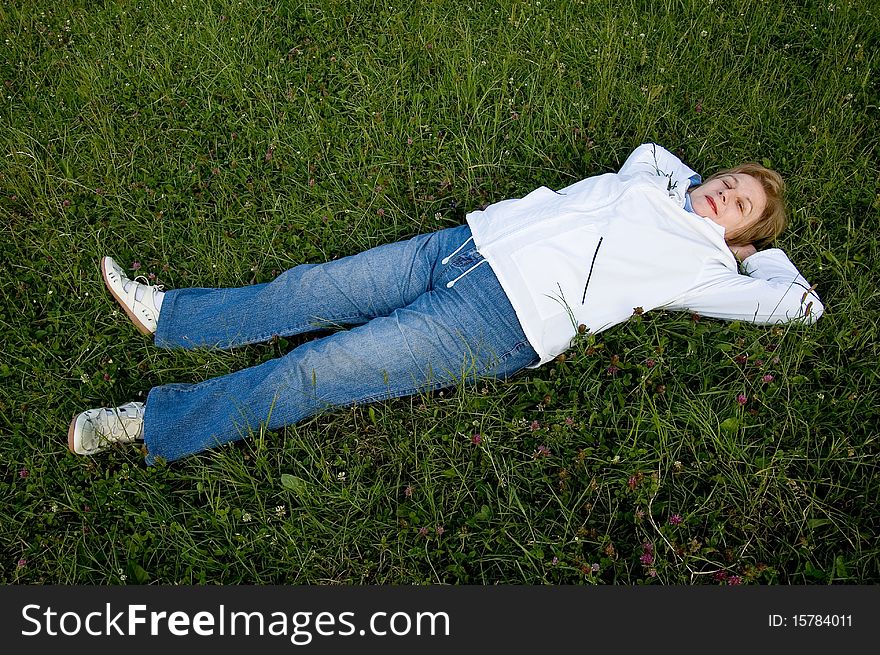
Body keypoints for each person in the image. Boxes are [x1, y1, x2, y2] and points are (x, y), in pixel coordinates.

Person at [67, 143, 824, 463]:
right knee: (309, 287)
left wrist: (745, 251)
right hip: (460, 246)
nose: (725, 192)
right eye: (730, 180)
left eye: (741, 204)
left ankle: (147, 422)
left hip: (500, 320)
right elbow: (662, 156)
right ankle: (171, 315)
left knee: (315, 373)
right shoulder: (650, 176)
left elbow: (801, 305)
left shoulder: (702, 268)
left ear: (744, 235)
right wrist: (696, 194)